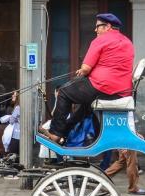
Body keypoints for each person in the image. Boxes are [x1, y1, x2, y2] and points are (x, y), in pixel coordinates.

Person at [41, 13, 134, 144]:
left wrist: (83, 71)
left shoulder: (101, 40)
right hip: (121, 92)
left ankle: (55, 133)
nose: (95, 30)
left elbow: (86, 68)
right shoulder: (127, 42)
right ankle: (64, 132)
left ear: (107, 26)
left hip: (102, 86)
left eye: (98, 26)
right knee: (85, 107)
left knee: (63, 92)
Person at [105, 112, 145, 195]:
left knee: (121, 162)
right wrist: (133, 136)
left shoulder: (126, 108)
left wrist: (136, 134)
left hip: (125, 138)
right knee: (132, 164)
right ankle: (133, 188)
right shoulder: (125, 107)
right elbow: (125, 125)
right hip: (128, 139)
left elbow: (128, 125)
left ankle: (101, 177)